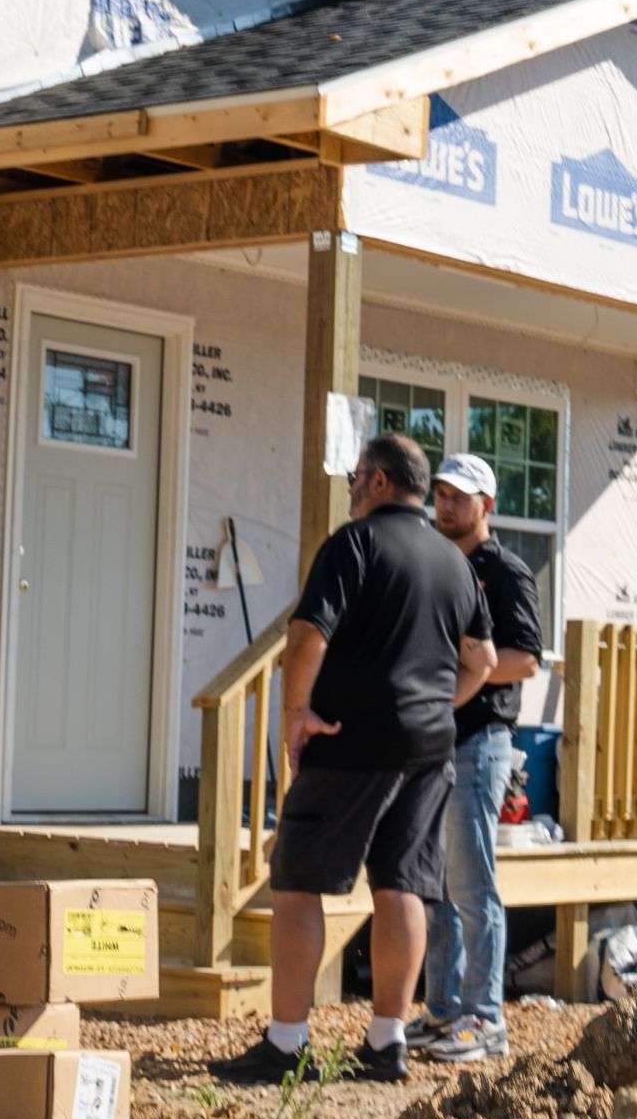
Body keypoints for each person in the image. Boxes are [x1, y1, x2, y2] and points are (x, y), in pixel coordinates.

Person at [216, 431, 493, 1085]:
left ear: (375, 481)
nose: (348, 491)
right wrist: (432, 704)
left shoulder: (355, 544)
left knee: (297, 878)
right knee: (403, 883)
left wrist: (296, 713)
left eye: (352, 479)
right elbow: (480, 660)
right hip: (430, 746)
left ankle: (287, 1044)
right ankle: (387, 1040)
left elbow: (309, 631)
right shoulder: (456, 561)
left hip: (350, 739)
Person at [411, 451, 542, 1067]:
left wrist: (464, 671)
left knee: (472, 884)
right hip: (431, 742)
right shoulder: (433, 562)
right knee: (434, 887)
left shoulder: (505, 570)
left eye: (460, 497)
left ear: (486, 505)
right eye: (440, 494)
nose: (446, 506)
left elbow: (525, 658)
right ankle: (442, 1012)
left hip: (481, 741)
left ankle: (485, 1018)